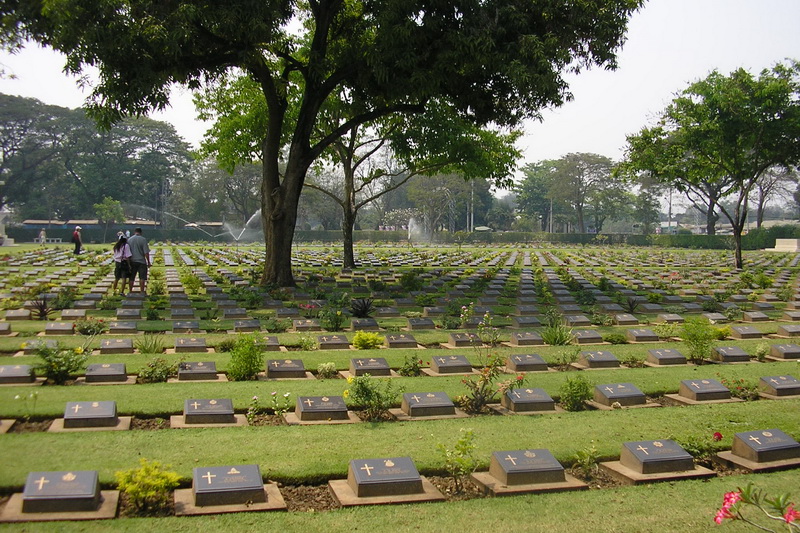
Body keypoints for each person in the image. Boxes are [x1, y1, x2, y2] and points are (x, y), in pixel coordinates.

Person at [127, 227, 151, 292]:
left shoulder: (129, 240)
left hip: (132, 261)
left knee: (131, 277)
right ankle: (142, 291)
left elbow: (127, 252)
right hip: (141, 261)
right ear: (141, 232)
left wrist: (128, 262)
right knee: (142, 277)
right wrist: (148, 262)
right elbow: (146, 252)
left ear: (134, 232)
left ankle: (130, 291)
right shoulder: (143, 239)